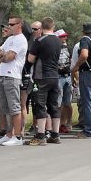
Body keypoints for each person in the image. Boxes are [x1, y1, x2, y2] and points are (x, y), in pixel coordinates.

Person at [26, 17, 63, 145]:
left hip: (41, 76)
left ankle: (41, 135)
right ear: (53, 26)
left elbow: (30, 59)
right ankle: (55, 134)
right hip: (55, 76)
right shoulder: (59, 42)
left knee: (40, 105)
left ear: (42, 27)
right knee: (53, 105)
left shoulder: (39, 41)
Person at [0, 16, 29, 146]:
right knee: (5, 108)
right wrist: (3, 55)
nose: (9, 26)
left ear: (19, 25)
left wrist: (3, 55)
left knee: (14, 107)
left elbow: (9, 57)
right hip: (3, 75)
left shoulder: (21, 39)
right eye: (8, 24)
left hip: (12, 76)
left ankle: (17, 135)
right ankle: (8, 134)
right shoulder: (9, 39)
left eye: (12, 24)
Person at [55, 30, 73, 134]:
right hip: (58, 77)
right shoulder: (54, 47)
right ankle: (58, 124)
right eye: (62, 37)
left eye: (65, 36)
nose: (64, 38)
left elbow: (71, 60)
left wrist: (74, 77)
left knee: (67, 102)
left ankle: (67, 122)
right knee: (58, 102)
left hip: (68, 76)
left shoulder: (68, 47)